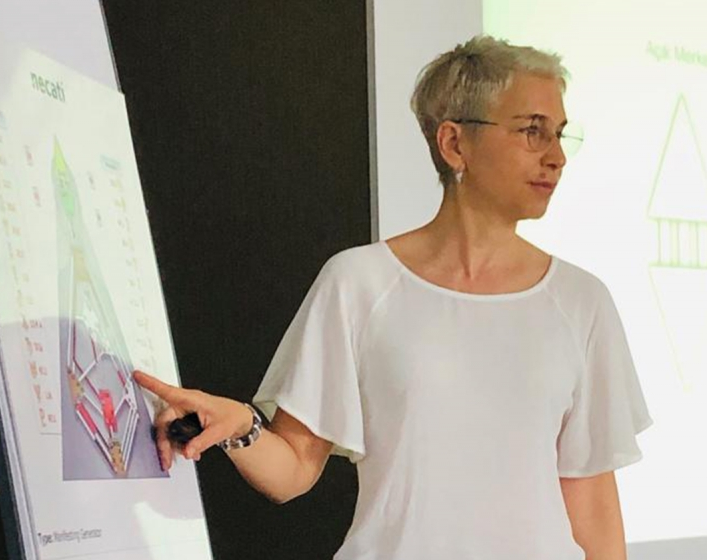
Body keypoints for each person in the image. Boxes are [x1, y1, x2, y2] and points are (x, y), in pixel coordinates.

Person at [134, 35, 653, 560]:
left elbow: (593, 510)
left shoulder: (580, 302)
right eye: (532, 131)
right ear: (454, 144)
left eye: (559, 134)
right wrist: (241, 428)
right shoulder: (359, 282)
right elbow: (294, 468)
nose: (556, 157)